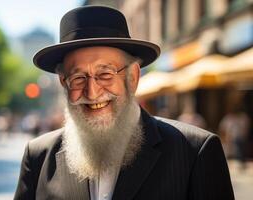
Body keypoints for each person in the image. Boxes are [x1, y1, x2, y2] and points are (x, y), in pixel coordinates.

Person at [14, 6, 234, 200]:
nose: (92, 92)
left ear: (133, 77)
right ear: (64, 83)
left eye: (105, 74)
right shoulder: (38, 157)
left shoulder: (194, 152)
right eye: (78, 78)